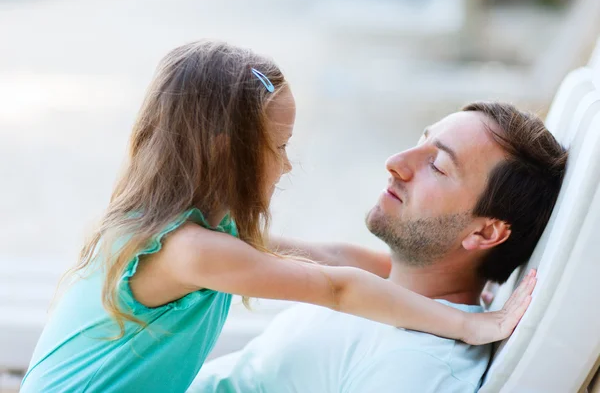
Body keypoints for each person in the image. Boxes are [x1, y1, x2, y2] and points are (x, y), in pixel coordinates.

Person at [20, 42, 534, 393]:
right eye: (280, 146)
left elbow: (331, 257)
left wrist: (456, 288)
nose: (287, 164)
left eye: (437, 164)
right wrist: (471, 326)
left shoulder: (186, 230)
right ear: (227, 154)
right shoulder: (193, 251)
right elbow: (335, 286)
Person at [191, 102, 567, 393]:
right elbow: (315, 256)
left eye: (436, 166)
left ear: (484, 234)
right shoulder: (387, 282)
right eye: (421, 141)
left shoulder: (417, 366)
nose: (395, 163)